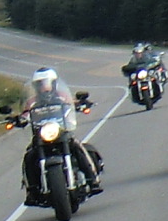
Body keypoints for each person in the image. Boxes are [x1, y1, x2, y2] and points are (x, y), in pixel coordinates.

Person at [13, 66, 103, 199]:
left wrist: (81, 104)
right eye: (41, 84)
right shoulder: (32, 101)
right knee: (30, 156)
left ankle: (93, 179)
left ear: (54, 83)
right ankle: (31, 190)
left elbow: (70, 103)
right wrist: (19, 119)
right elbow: (26, 113)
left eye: (47, 83)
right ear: (36, 86)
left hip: (60, 130)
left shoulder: (62, 96)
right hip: (41, 134)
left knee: (77, 147)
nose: (44, 87)